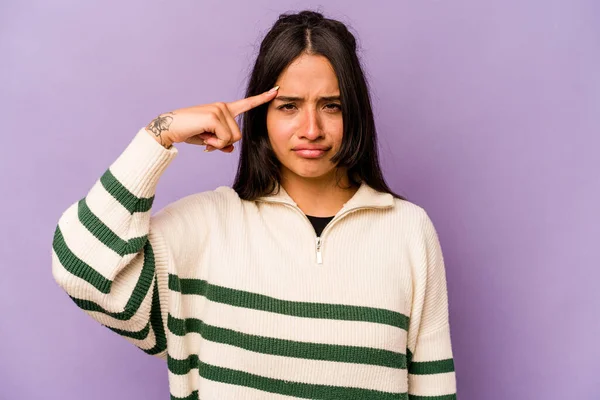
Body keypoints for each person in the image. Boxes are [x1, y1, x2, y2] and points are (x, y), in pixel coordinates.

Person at [51, 9, 457, 400]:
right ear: (261, 115)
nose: (311, 129)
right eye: (289, 106)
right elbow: (80, 267)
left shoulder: (407, 230)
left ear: (356, 113)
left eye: (331, 106)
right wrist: (160, 133)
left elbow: (433, 390)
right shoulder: (208, 227)